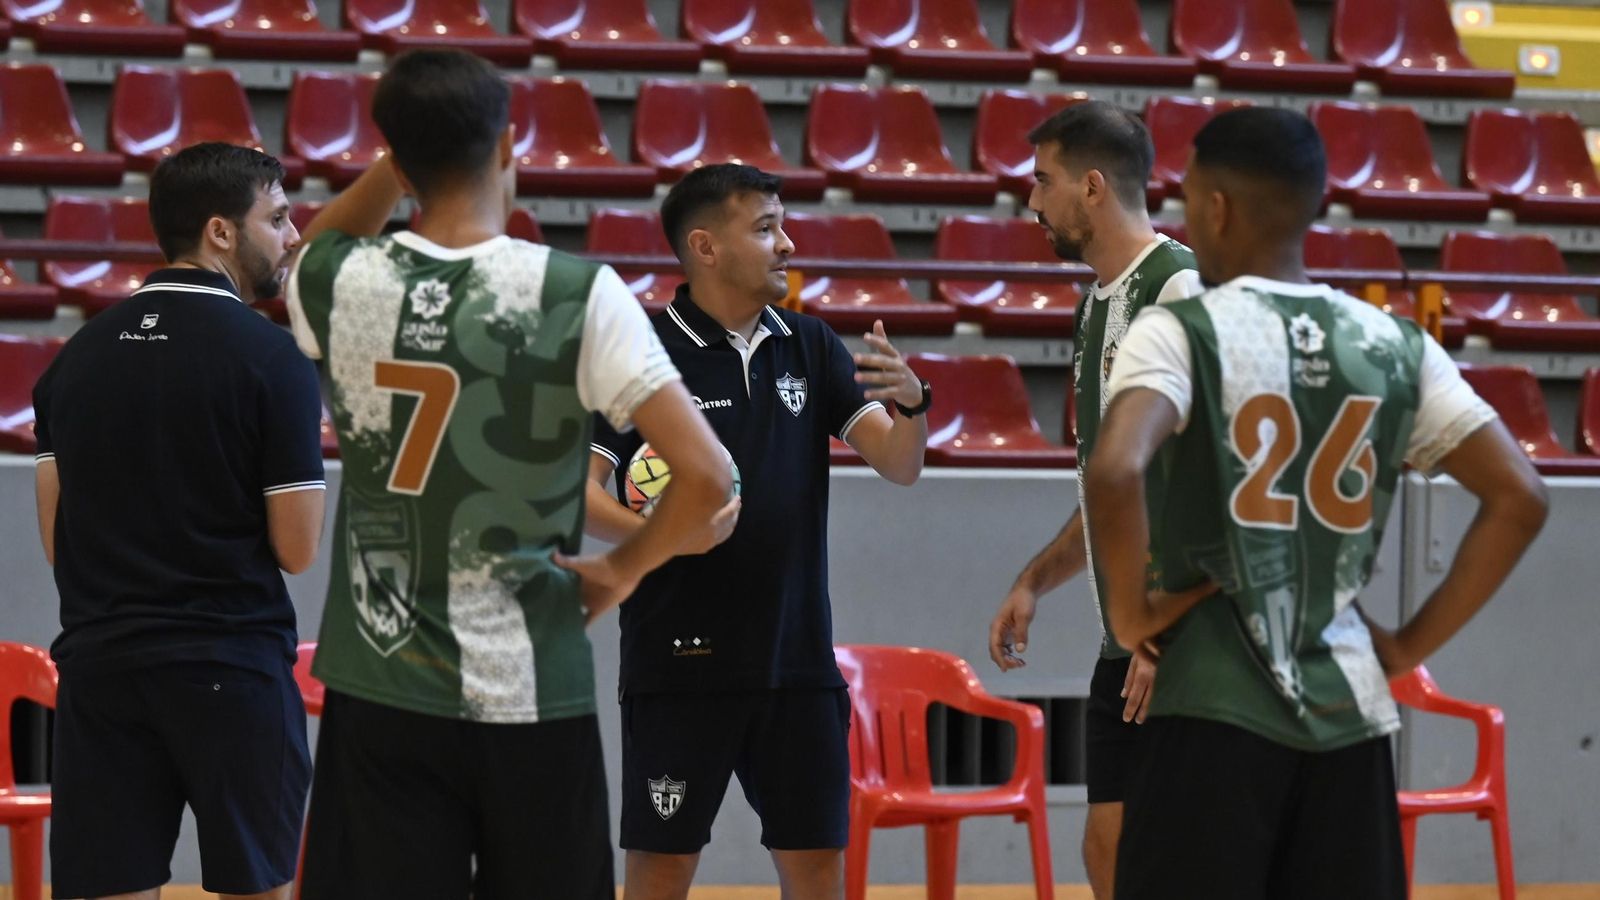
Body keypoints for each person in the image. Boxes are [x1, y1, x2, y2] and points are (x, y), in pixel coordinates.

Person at [284, 50, 729, 900]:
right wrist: (622, 571)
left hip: (380, 688)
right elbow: (708, 479)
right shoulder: (576, 291)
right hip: (531, 688)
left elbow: (316, 242)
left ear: (400, 159)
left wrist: (403, 152)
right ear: (508, 145)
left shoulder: (340, 281)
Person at [1085, 106, 1549, 900]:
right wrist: (1402, 648)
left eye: (1191, 199)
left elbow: (1114, 468)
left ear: (1217, 207)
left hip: (1209, 713)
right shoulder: (1393, 343)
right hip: (1351, 723)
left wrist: (1131, 618)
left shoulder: (1181, 330)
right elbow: (1521, 497)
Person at [584, 163, 930, 900]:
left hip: (796, 663)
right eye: (766, 228)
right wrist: (666, 538)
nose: (787, 243)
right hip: (676, 665)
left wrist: (914, 404)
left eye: (783, 224)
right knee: (661, 868)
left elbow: (899, 465)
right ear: (705, 248)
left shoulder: (811, 344)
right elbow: (576, 493)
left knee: (815, 871)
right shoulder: (639, 351)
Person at [32, 142, 324, 900]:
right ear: (222, 232)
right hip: (230, 667)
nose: (293, 237)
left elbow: (55, 539)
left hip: (100, 672)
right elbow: (297, 549)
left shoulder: (73, 360)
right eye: (280, 217)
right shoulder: (273, 360)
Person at [983, 100, 1205, 898]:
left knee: (1170, 859)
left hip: (1184, 642)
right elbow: (1114, 488)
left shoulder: (1178, 289)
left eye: (1042, 183)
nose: (1031, 203)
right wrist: (1035, 580)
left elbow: (1207, 476)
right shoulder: (1095, 305)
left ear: (1093, 187)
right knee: (1107, 853)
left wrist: (1165, 631)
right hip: (1128, 639)